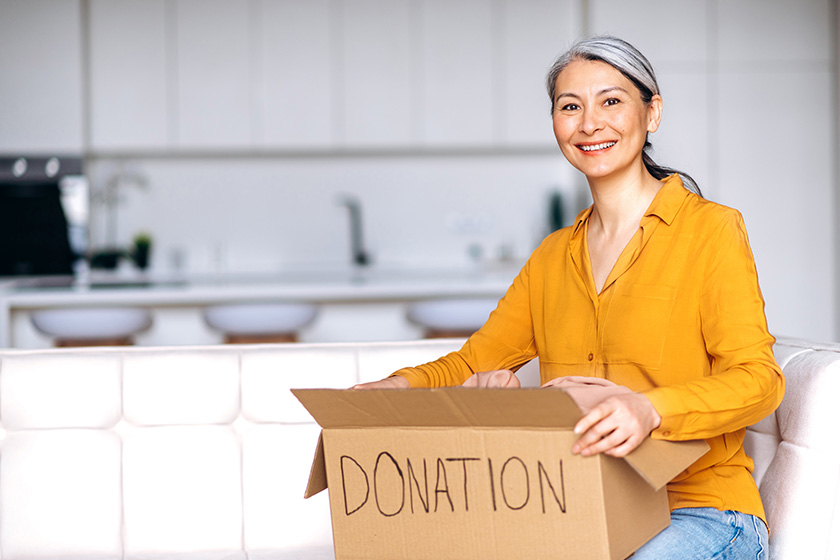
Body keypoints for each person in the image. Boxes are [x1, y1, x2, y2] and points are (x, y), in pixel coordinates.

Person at [353, 35, 783, 560]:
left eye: (611, 101)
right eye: (570, 107)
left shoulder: (711, 230)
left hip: (701, 510)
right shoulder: (552, 257)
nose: (589, 123)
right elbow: (474, 360)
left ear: (652, 113)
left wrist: (650, 410)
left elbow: (757, 380)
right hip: (586, 505)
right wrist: (399, 388)